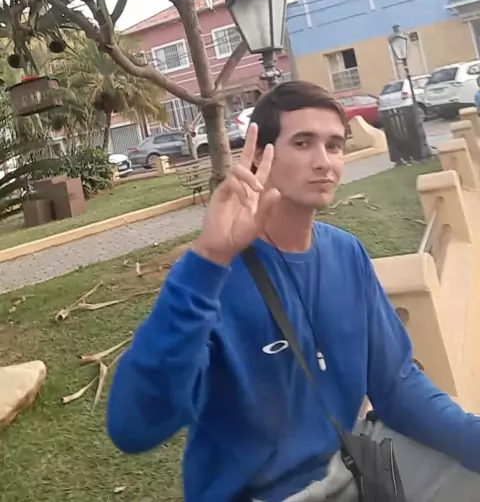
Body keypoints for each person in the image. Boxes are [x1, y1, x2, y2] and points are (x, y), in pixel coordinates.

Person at [107, 81, 480, 501]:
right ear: (261, 155)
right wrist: (209, 258)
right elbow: (134, 428)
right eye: (303, 143)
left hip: (351, 461)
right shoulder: (211, 277)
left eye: (334, 145)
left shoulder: (346, 253)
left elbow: (397, 386)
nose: (324, 162)